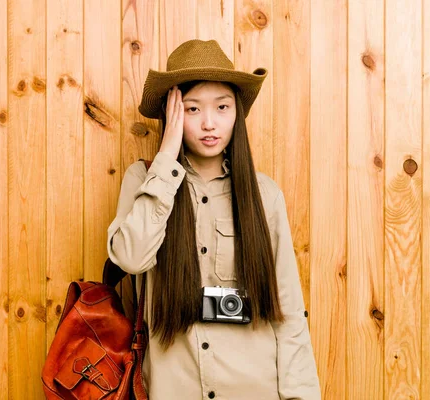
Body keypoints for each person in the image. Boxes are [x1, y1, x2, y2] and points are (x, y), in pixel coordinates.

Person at [107, 39, 320, 400]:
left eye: (222, 107)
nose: (209, 123)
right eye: (191, 109)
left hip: (255, 388)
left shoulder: (264, 196)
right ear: (171, 114)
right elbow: (130, 257)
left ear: (237, 111)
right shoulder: (145, 183)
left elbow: (287, 312)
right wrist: (167, 156)